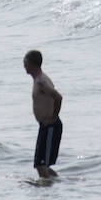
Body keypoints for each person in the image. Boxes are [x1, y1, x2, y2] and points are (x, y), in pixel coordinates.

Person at [24, 49, 64, 179]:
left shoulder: (42, 81)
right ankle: (56, 183)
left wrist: (53, 117)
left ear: (31, 64)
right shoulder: (39, 80)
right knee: (41, 165)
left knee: (41, 165)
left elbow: (58, 97)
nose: (24, 65)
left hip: (50, 126)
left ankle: (47, 193)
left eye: (25, 62)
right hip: (45, 126)